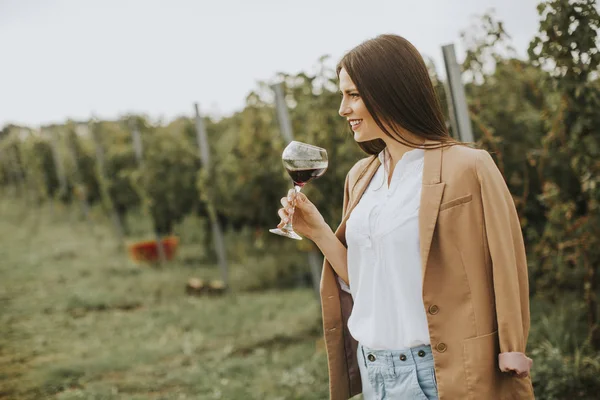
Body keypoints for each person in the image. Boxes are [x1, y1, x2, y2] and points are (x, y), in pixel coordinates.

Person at [276, 34, 534, 400]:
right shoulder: (360, 176)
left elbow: (508, 267)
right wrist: (318, 231)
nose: (342, 109)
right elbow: (367, 281)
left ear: (388, 92)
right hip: (374, 372)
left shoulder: (470, 167)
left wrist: (511, 347)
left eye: (352, 95)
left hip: (437, 374)